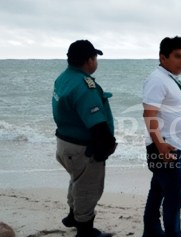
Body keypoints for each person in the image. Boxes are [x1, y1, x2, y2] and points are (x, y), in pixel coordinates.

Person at [52, 40, 117, 237]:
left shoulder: (63, 78)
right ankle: (85, 231)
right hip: (82, 148)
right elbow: (96, 123)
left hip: (65, 144)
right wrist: (107, 146)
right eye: (95, 57)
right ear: (89, 60)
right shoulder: (84, 86)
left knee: (77, 181)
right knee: (89, 189)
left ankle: (73, 215)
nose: (96, 61)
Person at [142, 36, 181, 237]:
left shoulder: (170, 78)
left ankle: (151, 231)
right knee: (174, 196)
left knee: (157, 190)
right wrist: (161, 146)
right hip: (165, 147)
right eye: (177, 56)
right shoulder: (157, 80)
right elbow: (149, 114)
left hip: (170, 145)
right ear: (163, 57)